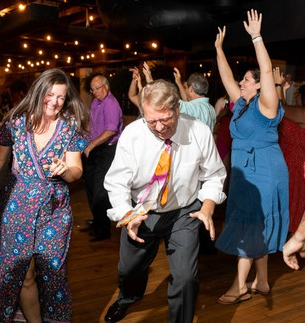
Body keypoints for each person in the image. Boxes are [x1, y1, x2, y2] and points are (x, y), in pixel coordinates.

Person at [103, 79, 226, 322]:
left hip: (184, 212)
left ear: (178, 109)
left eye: (165, 119)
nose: (159, 127)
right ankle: (128, 297)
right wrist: (128, 214)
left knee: (186, 279)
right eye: (151, 121)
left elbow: (214, 175)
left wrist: (208, 206)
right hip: (142, 210)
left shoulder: (199, 131)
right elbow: (117, 182)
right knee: (130, 269)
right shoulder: (133, 135)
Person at [0, 68, 89, 322]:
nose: (55, 102)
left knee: (52, 273)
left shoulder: (69, 127)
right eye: (50, 95)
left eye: (61, 97)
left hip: (54, 210)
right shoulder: (17, 122)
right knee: (23, 272)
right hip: (17, 206)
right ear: (39, 92)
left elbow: (77, 172)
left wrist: (66, 170)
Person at [214, 9, 289, 305]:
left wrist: (257, 37)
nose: (241, 83)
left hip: (266, 173)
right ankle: (263, 281)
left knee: (253, 225)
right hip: (245, 174)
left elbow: (266, 70)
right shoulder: (242, 105)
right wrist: (219, 49)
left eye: (247, 80)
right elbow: (226, 76)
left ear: (259, 84)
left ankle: (240, 285)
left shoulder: (267, 105)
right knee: (253, 223)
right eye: (242, 80)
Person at [83, 74, 123, 241]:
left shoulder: (111, 104)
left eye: (97, 89)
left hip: (108, 150)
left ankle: (103, 230)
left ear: (106, 87)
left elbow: (111, 131)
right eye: (92, 89)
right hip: (96, 148)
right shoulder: (96, 102)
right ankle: (97, 221)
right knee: (91, 186)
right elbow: (91, 124)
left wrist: (91, 145)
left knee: (100, 190)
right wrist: (85, 138)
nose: (95, 92)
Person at [274, 67, 305, 234]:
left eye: (298, 94)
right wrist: (283, 90)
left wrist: (278, 84)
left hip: (296, 167)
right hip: (292, 164)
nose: (296, 96)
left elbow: (280, 107)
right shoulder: (297, 115)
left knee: (295, 203)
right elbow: (284, 112)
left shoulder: (301, 113)